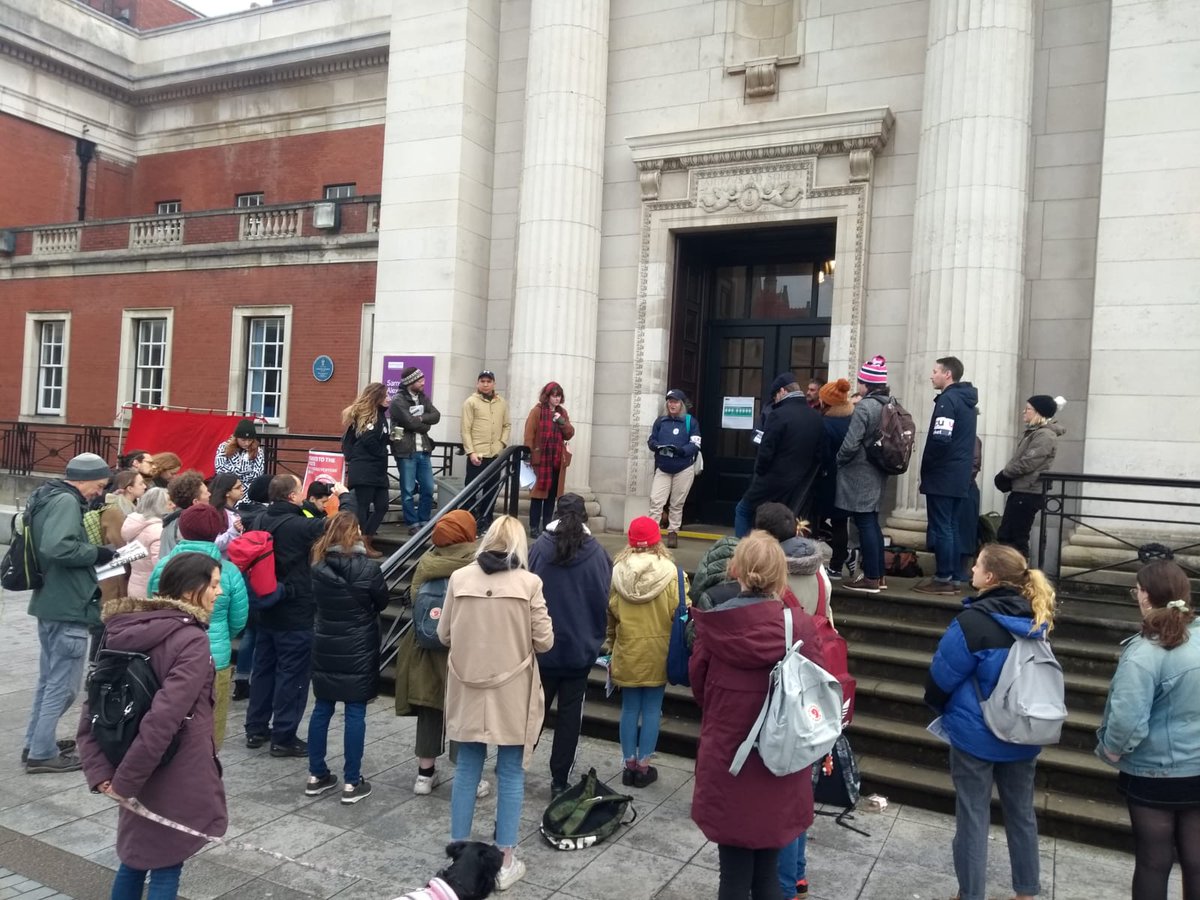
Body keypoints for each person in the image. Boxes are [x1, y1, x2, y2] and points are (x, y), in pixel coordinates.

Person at [78, 552, 228, 900]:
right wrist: (126, 782)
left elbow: (94, 708)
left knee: (134, 858)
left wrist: (105, 772)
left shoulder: (124, 627)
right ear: (193, 590)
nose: (219, 593)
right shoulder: (190, 640)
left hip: (128, 760)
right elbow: (164, 717)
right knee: (166, 861)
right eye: (215, 584)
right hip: (172, 767)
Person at [690, 532, 823, 900]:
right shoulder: (800, 626)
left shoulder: (715, 625)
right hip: (779, 757)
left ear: (737, 571)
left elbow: (699, 687)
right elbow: (816, 689)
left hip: (730, 756)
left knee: (732, 874)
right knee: (768, 872)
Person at [924, 543, 1056, 900]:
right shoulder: (1037, 615)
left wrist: (939, 708)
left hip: (976, 733)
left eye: (977, 565)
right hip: (1024, 730)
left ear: (991, 577)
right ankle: (1026, 891)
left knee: (972, 816)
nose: (971, 571)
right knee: (1021, 813)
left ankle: (971, 894)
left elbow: (942, 674)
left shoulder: (973, 622)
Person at [438, 515, 554, 892]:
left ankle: (459, 853)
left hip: (468, 685)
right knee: (511, 772)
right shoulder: (529, 582)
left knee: (468, 767)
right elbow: (545, 640)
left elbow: (444, 633)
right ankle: (504, 860)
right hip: (511, 689)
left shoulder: (460, 578)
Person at [1097, 560, 1200, 898]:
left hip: (1154, 770)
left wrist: (1110, 749)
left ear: (1145, 596)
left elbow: (1127, 722)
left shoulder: (1143, 653)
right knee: (1196, 859)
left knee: (1154, 861)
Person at [246, 474, 354, 756]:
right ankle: (284, 736)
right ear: (293, 496)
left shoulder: (258, 519)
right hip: (294, 609)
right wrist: (344, 496)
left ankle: (255, 728)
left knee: (264, 669)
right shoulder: (299, 525)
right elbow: (342, 524)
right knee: (292, 674)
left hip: (265, 604)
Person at [22, 453, 117, 773]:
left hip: (51, 600)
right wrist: (99, 553)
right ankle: (41, 751)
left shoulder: (47, 496)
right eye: (99, 486)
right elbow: (58, 546)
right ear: (82, 479)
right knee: (63, 686)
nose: (99, 493)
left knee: (49, 680)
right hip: (68, 603)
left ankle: (36, 741)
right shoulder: (65, 502)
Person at [394, 510, 491, 798]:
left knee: (429, 709)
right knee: (465, 713)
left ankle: (424, 776)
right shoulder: (478, 562)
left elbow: (413, 598)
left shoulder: (427, 560)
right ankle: (469, 778)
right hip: (463, 649)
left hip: (425, 646)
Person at [528, 493, 613, 795]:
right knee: (568, 719)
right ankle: (559, 780)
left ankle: (516, 765)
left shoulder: (538, 548)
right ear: (585, 517)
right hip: (579, 649)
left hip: (544, 648)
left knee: (533, 712)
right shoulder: (598, 554)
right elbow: (605, 598)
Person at [147, 503, 249, 749]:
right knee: (212, 728)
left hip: (168, 655)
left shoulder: (164, 565)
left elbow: (153, 608)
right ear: (217, 531)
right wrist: (221, 634)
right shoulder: (229, 571)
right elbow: (238, 619)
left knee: (171, 722)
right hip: (216, 656)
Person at [305, 511, 390, 805]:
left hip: (327, 641)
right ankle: (352, 781)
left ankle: (316, 774)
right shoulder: (368, 568)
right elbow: (382, 601)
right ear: (354, 532)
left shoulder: (317, 566)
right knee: (355, 712)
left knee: (322, 708)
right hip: (358, 645)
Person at [606, 515, 686, 788]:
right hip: (659, 650)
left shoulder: (617, 572)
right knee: (652, 709)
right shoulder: (674, 574)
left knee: (629, 709)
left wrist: (610, 646)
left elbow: (611, 615)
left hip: (628, 649)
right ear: (657, 541)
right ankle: (643, 766)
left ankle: (628, 764)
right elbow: (681, 614)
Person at [915, 356, 979, 595]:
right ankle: (952, 576)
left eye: (935, 371)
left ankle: (943, 578)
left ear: (947, 374)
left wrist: (928, 465)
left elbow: (941, 438)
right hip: (958, 474)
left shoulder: (948, 400)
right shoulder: (966, 402)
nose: (932, 375)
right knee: (950, 526)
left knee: (942, 527)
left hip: (943, 474)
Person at [734, 375, 824, 537]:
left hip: (772, 480)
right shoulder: (816, 417)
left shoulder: (778, 415)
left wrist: (760, 473)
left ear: (782, 391)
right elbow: (820, 453)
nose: (774, 400)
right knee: (787, 521)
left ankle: (743, 554)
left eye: (775, 395)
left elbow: (766, 451)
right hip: (800, 482)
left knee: (743, 510)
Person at [836, 356, 893, 594]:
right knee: (873, 522)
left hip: (860, 472)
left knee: (864, 522)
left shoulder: (865, 407)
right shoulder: (888, 404)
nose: (858, 385)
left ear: (867, 384)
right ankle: (878, 575)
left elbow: (850, 444)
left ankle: (870, 577)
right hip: (879, 470)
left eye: (860, 381)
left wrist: (838, 459)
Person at [996, 395, 1066, 560]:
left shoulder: (1045, 436)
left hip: (1028, 492)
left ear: (1039, 413)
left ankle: (1019, 577)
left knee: (1016, 537)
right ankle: (1010, 574)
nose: (1024, 412)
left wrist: (1005, 473)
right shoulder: (1037, 433)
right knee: (1008, 535)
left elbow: (1028, 462)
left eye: (1028, 409)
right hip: (1023, 490)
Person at [646, 388, 702, 549]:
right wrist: (655, 445)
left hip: (683, 467)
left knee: (677, 503)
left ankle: (673, 533)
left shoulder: (690, 422)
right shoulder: (660, 421)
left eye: (676, 401)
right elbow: (651, 439)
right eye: (670, 401)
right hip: (663, 467)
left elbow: (695, 444)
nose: (672, 404)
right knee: (656, 501)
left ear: (682, 404)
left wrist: (681, 451)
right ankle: (652, 535)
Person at [390, 368, 442, 537]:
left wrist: (421, 419)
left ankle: (424, 520)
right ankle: (412, 523)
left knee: (427, 487)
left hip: (424, 450)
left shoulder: (422, 398)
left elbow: (436, 415)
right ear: (410, 382)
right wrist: (424, 424)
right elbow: (410, 423)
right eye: (420, 380)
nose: (423, 382)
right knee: (408, 490)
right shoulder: (398, 401)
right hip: (406, 452)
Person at [343, 381, 391, 557]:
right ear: (377, 397)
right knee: (362, 506)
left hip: (377, 470)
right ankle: (362, 541)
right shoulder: (368, 416)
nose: (389, 399)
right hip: (364, 468)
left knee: (382, 505)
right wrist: (381, 452)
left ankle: (367, 538)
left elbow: (377, 438)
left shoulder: (380, 415)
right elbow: (367, 439)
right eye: (386, 396)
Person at [523, 382, 575, 537]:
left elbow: (570, 433)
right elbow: (529, 434)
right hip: (541, 461)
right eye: (554, 395)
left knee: (552, 496)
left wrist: (561, 422)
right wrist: (528, 454)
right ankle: (533, 527)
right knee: (538, 496)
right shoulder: (537, 411)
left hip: (556, 460)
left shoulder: (562, 413)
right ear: (547, 396)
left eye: (559, 395)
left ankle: (547, 526)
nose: (557, 399)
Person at [815, 378, 854, 581]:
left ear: (826, 402)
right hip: (849, 477)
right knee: (840, 521)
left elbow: (821, 454)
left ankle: (837, 562)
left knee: (817, 520)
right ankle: (839, 562)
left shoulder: (825, 424)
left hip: (829, 477)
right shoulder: (852, 419)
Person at [122, 487, 170, 598]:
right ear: (160, 506)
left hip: (135, 584)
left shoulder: (134, 525)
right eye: (169, 503)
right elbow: (160, 566)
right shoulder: (158, 531)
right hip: (151, 591)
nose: (172, 506)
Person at [159, 470, 210, 556]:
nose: (210, 494)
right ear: (196, 501)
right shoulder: (187, 524)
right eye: (206, 493)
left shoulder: (172, 520)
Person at [214, 419, 264, 502]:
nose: (247, 443)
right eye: (243, 440)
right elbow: (220, 471)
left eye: (250, 440)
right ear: (236, 438)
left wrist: (233, 470)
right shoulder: (223, 447)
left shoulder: (258, 451)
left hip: (248, 493)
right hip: (228, 491)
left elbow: (257, 475)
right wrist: (245, 470)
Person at [208, 473, 244, 554]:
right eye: (238, 487)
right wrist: (233, 531)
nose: (242, 489)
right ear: (226, 493)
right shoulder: (216, 513)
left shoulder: (232, 511)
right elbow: (214, 544)